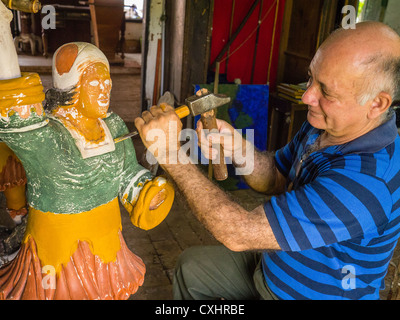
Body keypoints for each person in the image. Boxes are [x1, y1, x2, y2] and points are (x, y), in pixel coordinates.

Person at [134, 21, 400, 300]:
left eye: (327, 92)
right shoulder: (324, 124)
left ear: (377, 104)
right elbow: (276, 177)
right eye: (311, 78)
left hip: (306, 295)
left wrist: (171, 155)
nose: (308, 95)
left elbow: (238, 233)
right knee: (191, 270)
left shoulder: (367, 182)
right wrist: (238, 148)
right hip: (273, 267)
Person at [0, 41, 174, 300]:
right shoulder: (48, 135)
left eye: (108, 82)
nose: (105, 90)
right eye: (94, 83)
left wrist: (146, 192)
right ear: (71, 88)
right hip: (58, 256)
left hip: (108, 248)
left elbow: (127, 173)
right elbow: (15, 118)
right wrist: (4, 30)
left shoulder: (113, 125)